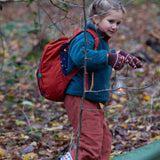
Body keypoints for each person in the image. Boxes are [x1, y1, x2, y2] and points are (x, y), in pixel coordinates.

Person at [56, 0, 143, 159]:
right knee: (90, 147)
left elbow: (99, 59)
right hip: (80, 97)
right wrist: (109, 57)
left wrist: (119, 55)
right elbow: (80, 57)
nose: (115, 26)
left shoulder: (100, 38)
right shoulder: (86, 36)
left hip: (92, 97)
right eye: (111, 21)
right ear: (95, 19)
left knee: (103, 143)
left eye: (118, 23)